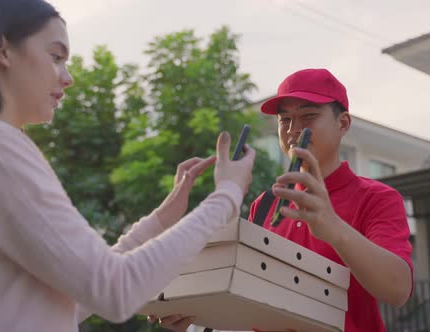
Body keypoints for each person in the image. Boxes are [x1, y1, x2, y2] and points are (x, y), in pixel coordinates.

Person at [0, 1, 255, 331]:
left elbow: (75, 300)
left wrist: (162, 219)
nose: (68, 77)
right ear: (3, 51)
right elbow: (117, 290)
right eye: (56, 56)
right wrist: (226, 196)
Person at [156, 69, 413, 332]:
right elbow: (251, 297)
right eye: (285, 119)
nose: (294, 130)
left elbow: (398, 290)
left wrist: (334, 227)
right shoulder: (265, 203)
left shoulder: (377, 198)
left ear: (343, 123)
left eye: (308, 116)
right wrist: (194, 315)